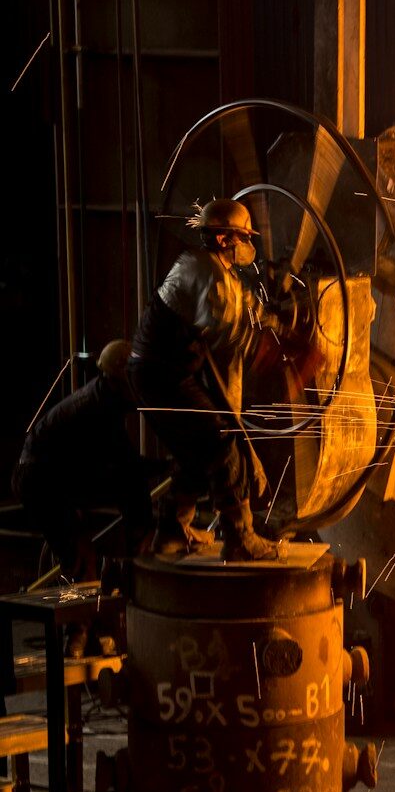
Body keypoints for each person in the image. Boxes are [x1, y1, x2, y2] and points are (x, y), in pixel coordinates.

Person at [130, 197, 283, 560]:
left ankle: (169, 530)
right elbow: (230, 333)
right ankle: (239, 537)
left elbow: (242, 306)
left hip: (156, 373)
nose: (248, 245)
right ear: (223, 239)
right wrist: (279, 351)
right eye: (243, 237)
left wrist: (274, 321)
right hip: (161, 375)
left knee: (194, 450)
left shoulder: (203, 265)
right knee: (221, 442)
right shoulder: (208, 275)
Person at [11, 340, 153, 581]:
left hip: (49, 475)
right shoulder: (98, 407)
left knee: (131, 486)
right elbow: (124, 459)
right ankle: (83, 609)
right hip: (38, 481)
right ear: (119, 379)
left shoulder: (104, 397)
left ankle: (128, 560)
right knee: (79, 556)